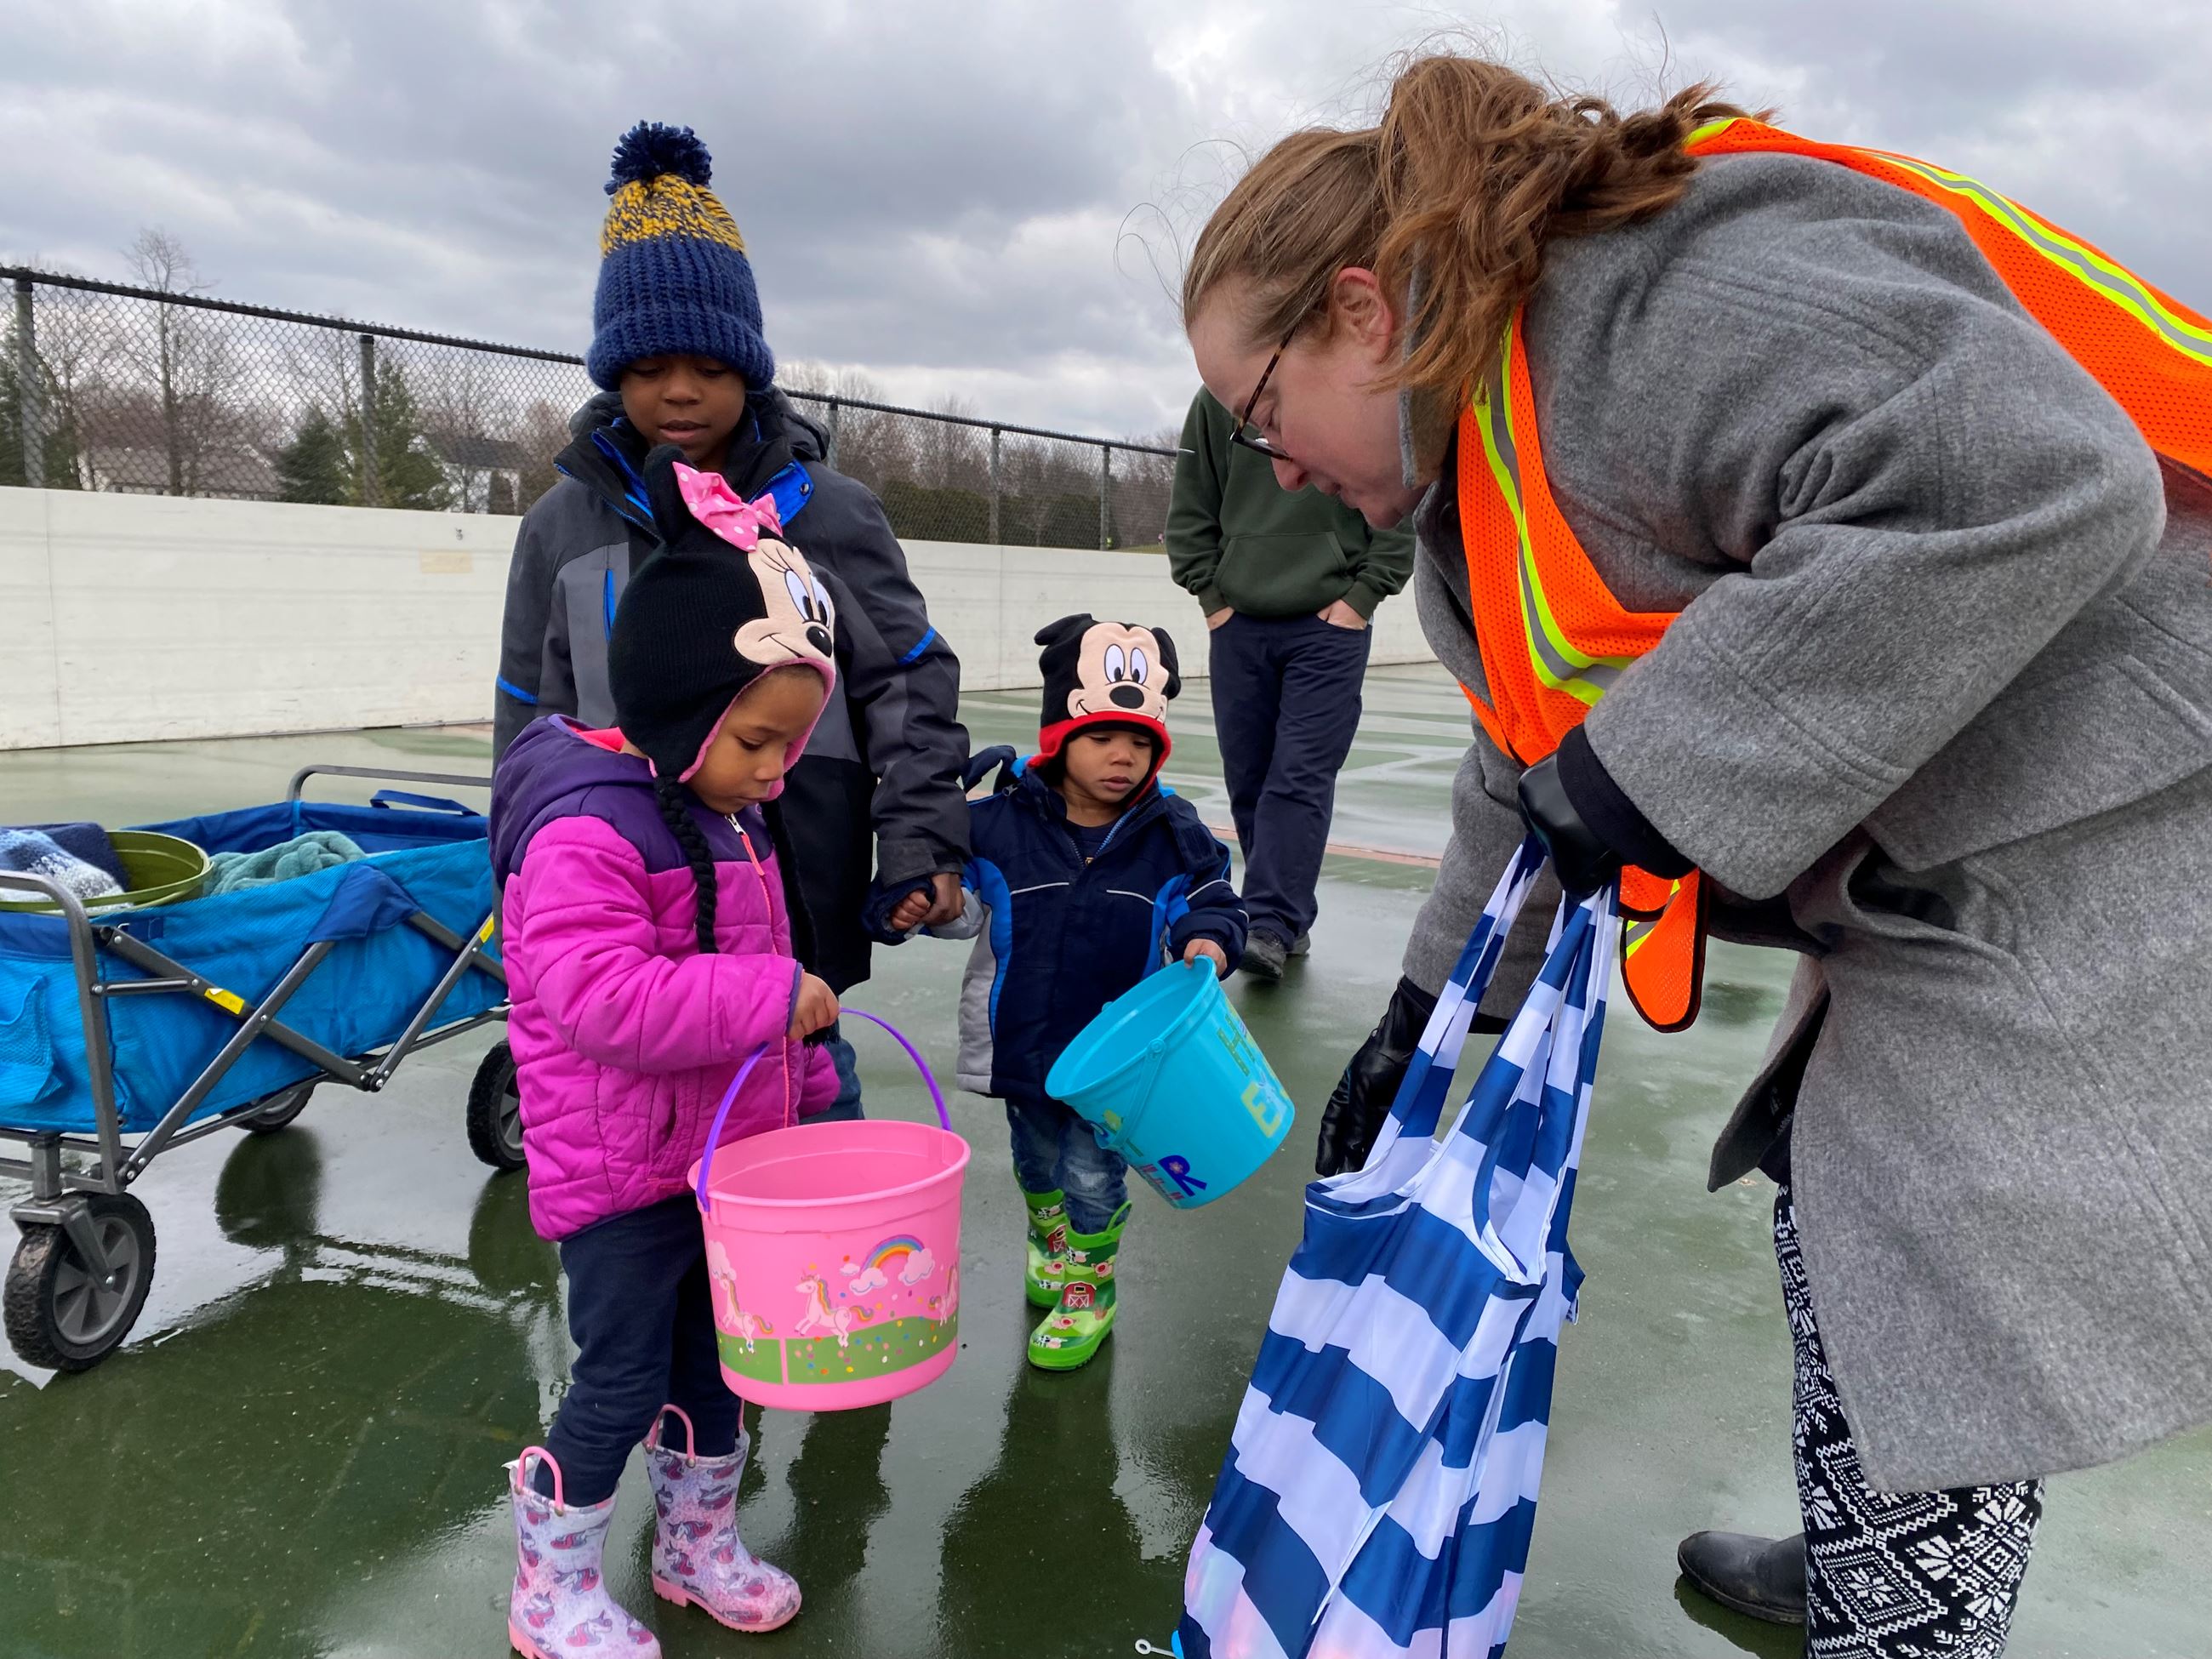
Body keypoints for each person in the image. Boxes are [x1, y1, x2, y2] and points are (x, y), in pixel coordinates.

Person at [1181, 49, 2212, 1659]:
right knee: (1856, 1200)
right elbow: (1530, 757)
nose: (1277, 466)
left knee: (1934, 1232)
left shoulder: (1648, 298)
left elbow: (2034, 474)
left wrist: (1655, 774)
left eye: (1260, 415)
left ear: (1365, 315)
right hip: (1982, 808)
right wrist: (1424, 1015)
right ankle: (1878, 1547)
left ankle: (1907, 1621)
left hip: (2131, 773)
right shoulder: (1485, 477)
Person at [493, 120, 968, 1121]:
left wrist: (919, 841)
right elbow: (525, 723)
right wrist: (509, 882)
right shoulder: (557, 528)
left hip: (792, 902)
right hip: (620, 911)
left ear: (747, 367)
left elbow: (910, 679)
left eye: (707, 364)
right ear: (610, 369)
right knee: (640, 1139)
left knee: (805, 1134)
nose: (678, 388)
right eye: (649, 363)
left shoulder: (830, 515)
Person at [487, 445, 848, 1653]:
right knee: (621, 1376)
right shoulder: (587, 829)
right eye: (758, 738)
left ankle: (697, 1545)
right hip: (623, 1178)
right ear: (687, 703)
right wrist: (768, 995)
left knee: (720, 1368)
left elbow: (767, 993)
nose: (777, 768)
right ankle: (552, 1584)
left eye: (792, 742)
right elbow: (605, 997)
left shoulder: (725, 813)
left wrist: (811, 1087)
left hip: (725, 1170)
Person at [875, 614, 1247, 1369]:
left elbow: (1209, 897)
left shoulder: (1171, 833)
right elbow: (964, 904)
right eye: (1104, 737)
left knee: (1090, 1169)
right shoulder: (996, 826)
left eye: (1141, 742)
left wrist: (1206, 939)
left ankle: (1090, 1284)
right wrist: (922, 903)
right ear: (1058, 737)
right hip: (1025, 1036)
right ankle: (1051, 1239)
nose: (1123, 757)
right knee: (1036, 1157)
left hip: (1117, 1060)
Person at [1166, 386, 1415, 980]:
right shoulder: (1214, 401)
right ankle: (1288, 918)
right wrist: (1213, 597)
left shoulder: (1351, 383)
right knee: (1247, 776)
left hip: (1331, 624)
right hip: (1239, 620)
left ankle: (1269, 921)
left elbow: (1393, 492)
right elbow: (1193, 505)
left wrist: (1362, 597)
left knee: (1298, 773)